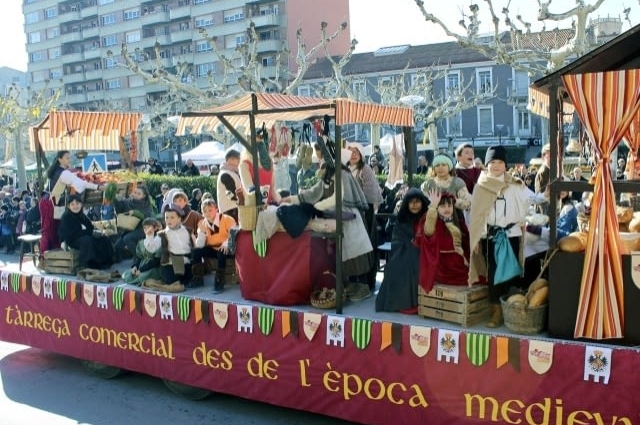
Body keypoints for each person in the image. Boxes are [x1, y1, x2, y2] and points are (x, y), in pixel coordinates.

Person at [284, 148, 374, 302]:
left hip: (350, 219)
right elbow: (313, 192)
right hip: (336, 218)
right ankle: (350, 286)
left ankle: (362, 287)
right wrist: (291, 199)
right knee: (343, 254)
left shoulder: (343, 175)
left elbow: (337, 198)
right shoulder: (328, 176)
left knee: (355, 254)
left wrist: (318, 207)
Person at [468, 146, 541, 328]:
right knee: (494, 274)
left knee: (511, 274)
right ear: (487, 165)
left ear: (505, 165)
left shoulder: (515, 185)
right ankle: (495, 311)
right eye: (493, 162)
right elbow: (476, 215)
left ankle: (511, 308)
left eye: (500, 162)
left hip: (512, 235)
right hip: (491, 237)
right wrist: (476, 237)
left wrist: (546, 195)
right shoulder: (481, 186)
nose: (496, 166)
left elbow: (531, 199)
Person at [40, 150, 107, 254]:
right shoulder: (63, 173)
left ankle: (53, 255)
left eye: (69, 157)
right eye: (67, 158)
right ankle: (44, 255)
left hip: (49, 201)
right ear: (59, 159)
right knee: (48, 230)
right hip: (49, 202)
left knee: (54, 228)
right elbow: (80, 183)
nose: (69, 160)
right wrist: (98, 187)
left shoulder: (59, 171)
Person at [375, 188, 429, 313]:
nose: (414, 205)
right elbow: (397, 240)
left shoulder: (427, 217)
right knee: (395, 267)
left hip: (424, 252)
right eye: (411, 202)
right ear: (406, 204)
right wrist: (410, 245)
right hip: (403, 252)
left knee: (416, 262)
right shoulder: (402, 219)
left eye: (417, 202)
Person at [346, 142, 384, 290]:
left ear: (361, 155)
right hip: (351, 216)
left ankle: (367, 282)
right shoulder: (347, 170)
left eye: (357, 152)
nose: (354, 154)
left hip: (364, 214)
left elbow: (370, 194)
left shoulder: (365, 169)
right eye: (351, 152)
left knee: (366, 248)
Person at [419, 190, 470, 291]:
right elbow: (428, 232)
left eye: (449, 206)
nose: (447, 209)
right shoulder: (435, 223)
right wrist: (432, 207)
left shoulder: (458, 223)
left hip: (459, 263)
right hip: (443, 266)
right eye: (442, 206)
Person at [190, 199, 236, 292]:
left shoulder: (227, 219)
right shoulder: (203, 223)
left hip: (228, 248)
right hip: (213, 248)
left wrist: (226, 244)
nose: (207, 213)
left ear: (216, 209)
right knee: (196, 252)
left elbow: (234, 233)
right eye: (205, 211)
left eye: (210, 210)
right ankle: (198, 279)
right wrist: (202, 232)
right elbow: (200, 245)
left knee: (221, 252)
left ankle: (219, 282)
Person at [57, 194, 114, 270]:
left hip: (83, 235)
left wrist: (99, 232)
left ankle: (105, 262)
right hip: (72, 239)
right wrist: (88, 232)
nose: (75, 206)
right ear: (68, 206)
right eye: (72, 204)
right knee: (87, 240)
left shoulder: (81, 215)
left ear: (81, 204)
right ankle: (88, 264)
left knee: (103, 239)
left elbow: (90, 226)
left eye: (77, 203)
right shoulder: (66, 216)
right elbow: (72, 233)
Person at [420, 154, 471, 219]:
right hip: (433, 220)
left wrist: (453, 201)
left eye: (443, 165)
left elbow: (468, 203)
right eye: (437, 165)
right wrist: (433, 203)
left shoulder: (458, 182)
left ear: (449, 166)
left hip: (456, 220)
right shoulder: (427, 184)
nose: (440, 168)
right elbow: (422, 204)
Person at [112, 185, 155, 260]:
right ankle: (121, 257)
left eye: (139, 194)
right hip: (130, 228)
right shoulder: (129, 201)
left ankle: (138, 259)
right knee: (118, 246)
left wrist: (135, 213)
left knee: (127, 238)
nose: (136, 195)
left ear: (144, 195)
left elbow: (147, 218)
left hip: (143, 229)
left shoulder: (146, 205)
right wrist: (116, 199)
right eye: (135, 193)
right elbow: (119, 209)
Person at [157, 204, 193, 288]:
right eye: (167, 217)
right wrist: (150, 236)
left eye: (172, 217)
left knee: (189, 279)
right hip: (171, 263)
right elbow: (152, 247)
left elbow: (195, 245)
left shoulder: (187, 231)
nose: (169, 220)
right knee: (172, 281)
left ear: (179, 219)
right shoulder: (162, 234)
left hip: (186, 261)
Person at [122, 218, 163, 286]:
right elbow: (139, 257)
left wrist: (141, 270)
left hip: (153, 267)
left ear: (155, 228)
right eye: (145, 228)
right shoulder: (142, 242)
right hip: (142, 265)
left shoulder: (158, 241)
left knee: (142, 277)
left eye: (149, 227)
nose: (147, 230)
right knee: (128, 274)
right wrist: (135, 266)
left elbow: (156, 261)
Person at [217, 149, 242, 223]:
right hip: (230, 210)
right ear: (231, 159)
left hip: (231, 208)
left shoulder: (231, 172)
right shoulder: (225, 174)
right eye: (238, 159)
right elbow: (230, 193)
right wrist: (239, 201)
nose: (239, 161)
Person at [535, 143, 551, 213]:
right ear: (543, 156)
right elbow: (542, 195)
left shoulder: (548, 169)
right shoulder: (544, 171)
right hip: (544, 210)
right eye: (550, 155)